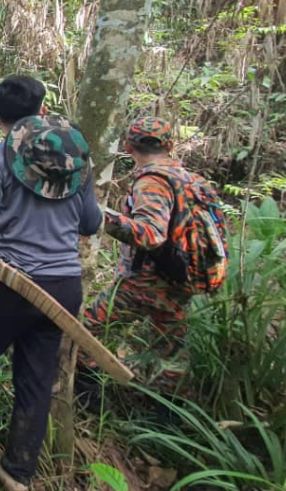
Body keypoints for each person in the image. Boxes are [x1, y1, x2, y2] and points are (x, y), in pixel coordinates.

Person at [0, 76, 101, 491]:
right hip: (64, 286)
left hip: (13, 282)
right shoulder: (78, 158)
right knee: (36, 374)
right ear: (43, 109)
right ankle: (18, 473)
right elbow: (90, 223)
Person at [80, 117, 217, 390]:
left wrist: (98, 216)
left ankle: (90, 397)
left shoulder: (153, 180)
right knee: (172, 354)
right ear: (170, 145)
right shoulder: (193, 180)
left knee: (84, 334)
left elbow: (150, 234)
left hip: (145, 282)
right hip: (182, 279)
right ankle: (164, 417)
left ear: (129, 147)